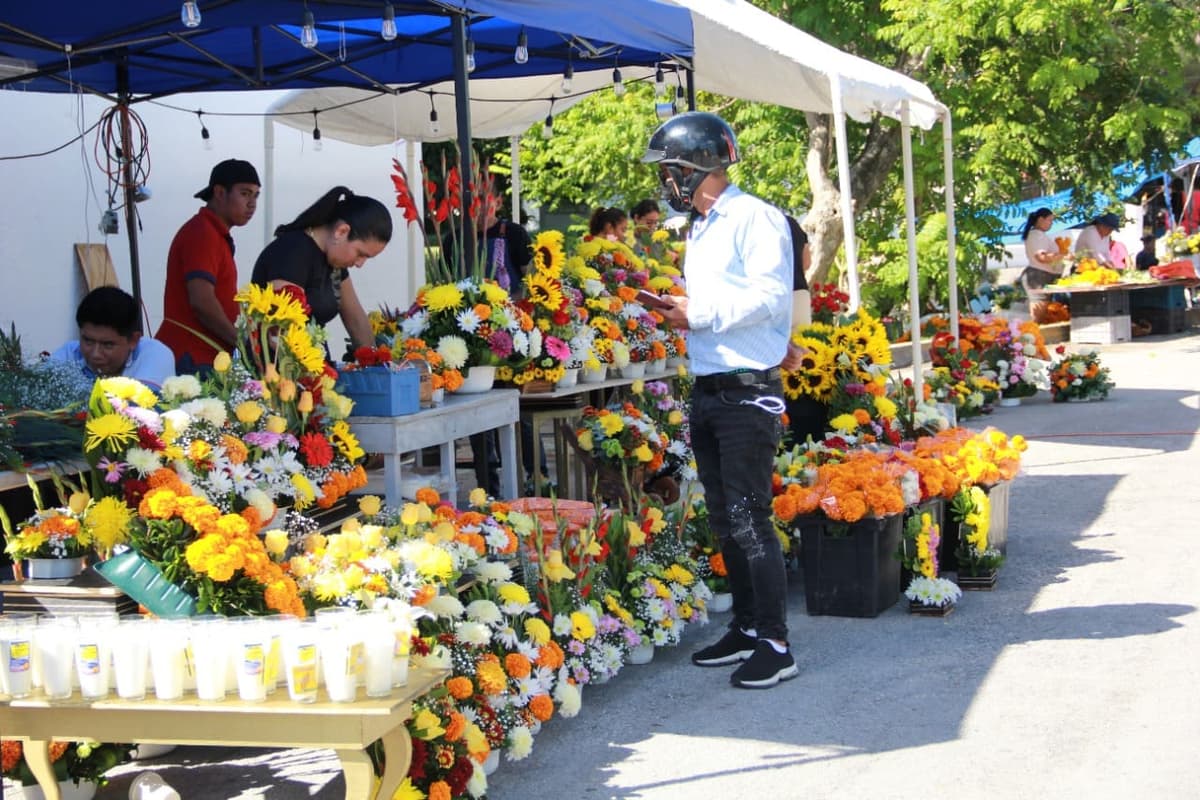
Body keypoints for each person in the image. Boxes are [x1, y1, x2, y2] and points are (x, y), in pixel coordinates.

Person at [644, 111, 797, 689]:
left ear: (699, 167)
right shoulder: (703, 226)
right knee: (724, 519)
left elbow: (768, 295)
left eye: (671, 171)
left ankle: (778, 643)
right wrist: (680, 305)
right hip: (711, 387)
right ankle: (750, 625)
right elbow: (740, 306)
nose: (665, 184)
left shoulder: (754, 217)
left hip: (745, 395)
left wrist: (697, 313)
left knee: (748, 518)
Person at [252, 186, 391, 356]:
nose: (360, 263)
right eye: (360, 254)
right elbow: (280, 333)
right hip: (280, 371)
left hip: (312, 364)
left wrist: (375, 362)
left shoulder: (335, 262)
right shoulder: (291, 252)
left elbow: (355, 319)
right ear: (341, 231)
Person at [156, 159, 260, 375]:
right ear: (220, 192)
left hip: (206, 356)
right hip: (192, 358)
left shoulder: (214, 233)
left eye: (256, 195)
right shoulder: (202, 233)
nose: (252, 203)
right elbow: (202, 302)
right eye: (245, 193)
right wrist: (243, 344)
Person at [50, 286, 175, 390]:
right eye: (88, 341)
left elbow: (139, 410)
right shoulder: (69, 353)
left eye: (107, 345)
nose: (95, 354)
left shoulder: (155, 354)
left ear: (133, 340)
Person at [1019, 207, 1068, 323]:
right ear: (1041, 219)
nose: (1051, 224)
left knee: (1042, 316)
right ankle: (1033, 338)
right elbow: (1042, 257)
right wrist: (1061, 255)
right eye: (1049, 220)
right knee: (1037, 317)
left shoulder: (1039, 235)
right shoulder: (1036, 235)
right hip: (1038, 277)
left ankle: (1036, 337)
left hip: (1044, 276)